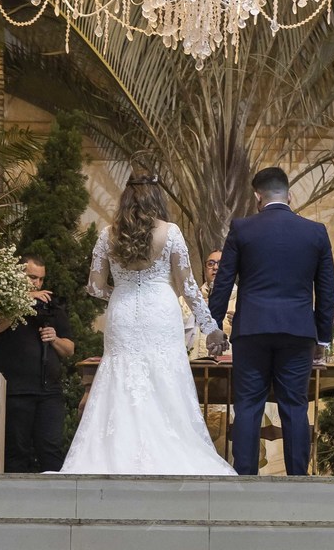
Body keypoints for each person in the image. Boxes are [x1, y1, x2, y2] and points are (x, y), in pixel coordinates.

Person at [60, 169, 235, 476]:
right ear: (157, 197)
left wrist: (122, 292)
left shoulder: (107, 233)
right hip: (160, 310)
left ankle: (113, 454)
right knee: (163, 375)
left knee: (121, 374)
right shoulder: (171, 232)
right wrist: (210, 327)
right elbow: (189, 287)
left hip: (122, 312)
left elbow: (95, 286)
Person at [208, 166, 334, 477]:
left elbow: (223, 282)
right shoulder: (315, 232)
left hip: (251, 329)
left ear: (257, 197)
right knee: (294, 405)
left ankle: (246, 478)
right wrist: (323, 338)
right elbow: (327, 290)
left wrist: (213, 326)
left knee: (249, 405)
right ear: (289, 195)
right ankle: (297, 479)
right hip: (297, 331)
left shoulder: (242, 228)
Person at [0, 254, 75, 472]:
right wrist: (24, 299)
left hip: (49, 391)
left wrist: (54, 339)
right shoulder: (5, 303)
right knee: (17, 450)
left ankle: (57, 500)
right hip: (16, 390)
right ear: (17, 275)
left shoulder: (52, 305)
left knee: (50, 447)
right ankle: (15, 502)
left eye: (41, 279)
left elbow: (69, 349)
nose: (37, 284)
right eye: (32, 277)